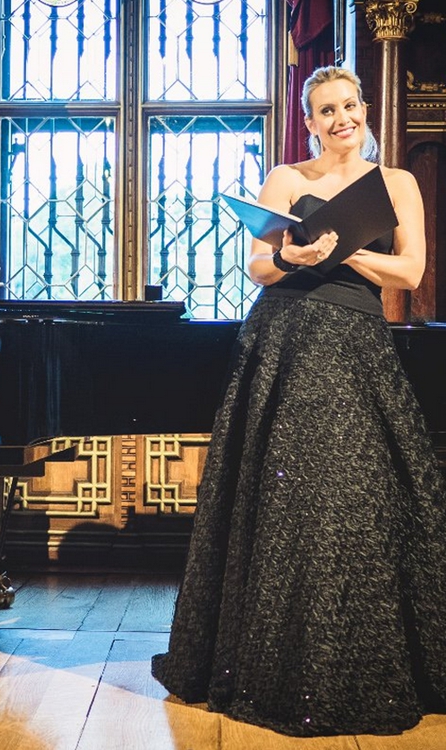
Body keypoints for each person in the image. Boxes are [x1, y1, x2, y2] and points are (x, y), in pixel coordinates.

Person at [151, 66, 446, 736]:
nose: (342, 119)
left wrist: (341, 253)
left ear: (364, 109)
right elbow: (257, 264)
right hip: (284, 339)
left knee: (357, 497)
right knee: (284, 498)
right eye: (326, 111)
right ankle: (271, 667)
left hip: (356, 345)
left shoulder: (397, 182)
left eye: (350, 106)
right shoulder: (287, 178)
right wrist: (294, 258)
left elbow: (411, 271)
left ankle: (356, 662)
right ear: (309, 121)